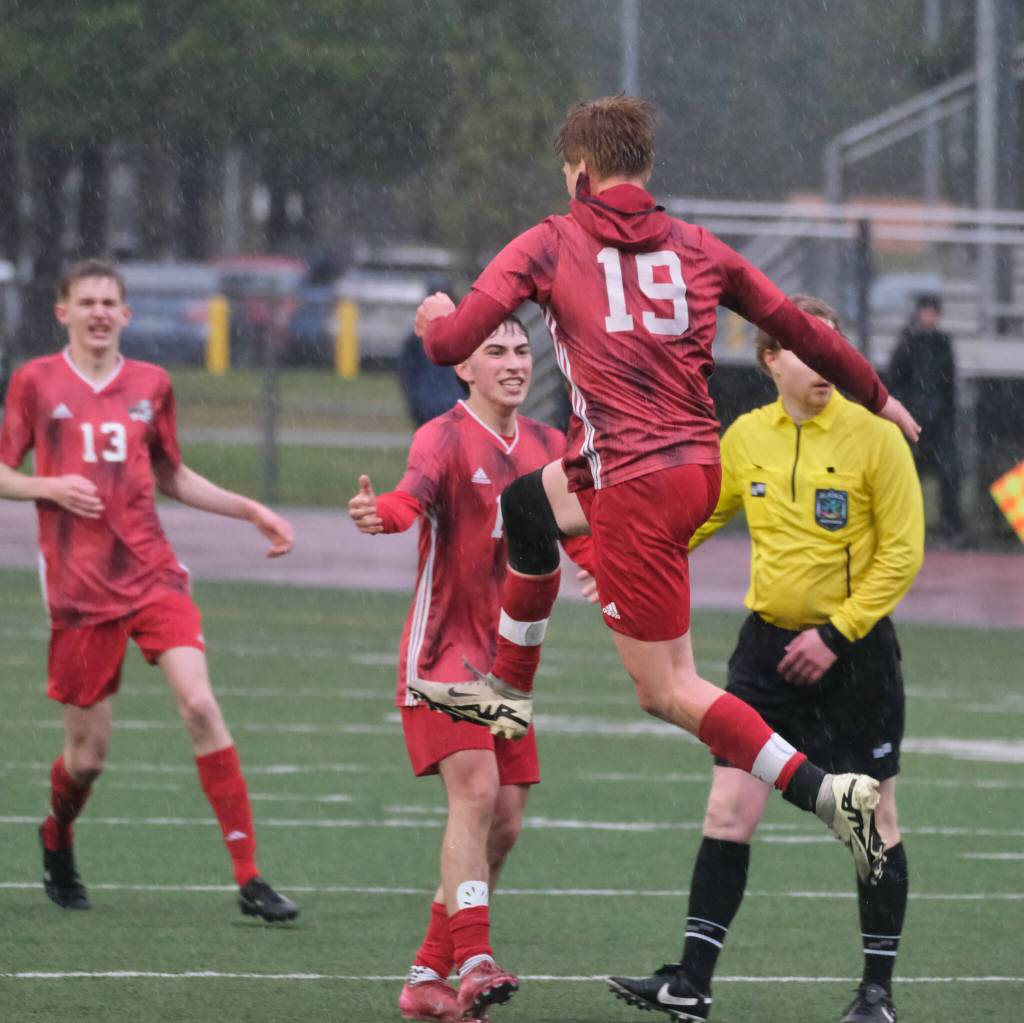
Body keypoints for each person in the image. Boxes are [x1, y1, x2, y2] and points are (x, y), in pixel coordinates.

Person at [412, 97, 923, 897]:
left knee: (669, 689)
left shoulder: (552, 239)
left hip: (633, 477)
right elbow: (801, 326)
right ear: (643, 168)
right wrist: (877, 393)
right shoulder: (696, 246)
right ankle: (507, 693)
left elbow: (449, 344)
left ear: (579, 171)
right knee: (528, 508)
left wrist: (435, 314)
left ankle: (830, 794)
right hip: (693, 464)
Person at [608, 295, 923, 1023]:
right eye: (810, 349)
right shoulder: (746, 436)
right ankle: (691, 982)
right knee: (727, 807)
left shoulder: (877, 436)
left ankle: (876, 994)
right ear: (771, 359)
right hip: (766, 650)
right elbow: (696, 518)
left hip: (856, 655)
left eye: (835, 349)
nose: (827, 364)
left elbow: (903, 552)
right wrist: (625, 558)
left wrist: (837, 633)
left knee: (875, 818)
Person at [0, 259, 299, 922]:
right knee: (88, 757)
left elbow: (173, 475)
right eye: (88, 301)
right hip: (78, 590)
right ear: (64, 312)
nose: (100, 312)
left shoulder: (151, 384)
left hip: (152, 573)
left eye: (111, 301)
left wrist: (251, 509)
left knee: (198, 703)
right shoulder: (35, 381)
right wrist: (48, 487)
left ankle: (250, 877)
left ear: (126, 314)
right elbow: (2, 471)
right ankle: (58, 832)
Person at [348, 316, 594, 1022]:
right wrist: (380, 514)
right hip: (444, 651)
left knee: (507, 821)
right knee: (478, 791)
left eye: (522, 350)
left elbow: (574, 522)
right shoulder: (443, 436)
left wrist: (598, 570)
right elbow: (408, 497)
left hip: (507, 657)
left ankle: (428, 973)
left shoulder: (549, 444)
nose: (515, 362)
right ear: (465, 368)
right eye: (497, 352)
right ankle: (476, 962)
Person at [888, 293, 964, 541]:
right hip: (913, 420)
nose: (930, 317)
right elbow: (896, 381)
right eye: (927, 311)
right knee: (907, 473)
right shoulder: (906, 343)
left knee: (950, 472)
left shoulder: (942, 343)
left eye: (934, 312)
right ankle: (905, 524)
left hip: (939, 421)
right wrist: (910, 410)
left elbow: (949, 384)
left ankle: (949, 526)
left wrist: (944, 414)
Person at [397, 277, 465, 427]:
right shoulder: (416, 339)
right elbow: (407, 373)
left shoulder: (463, 335)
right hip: (429, 410)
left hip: (451, 410)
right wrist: (416, 402)